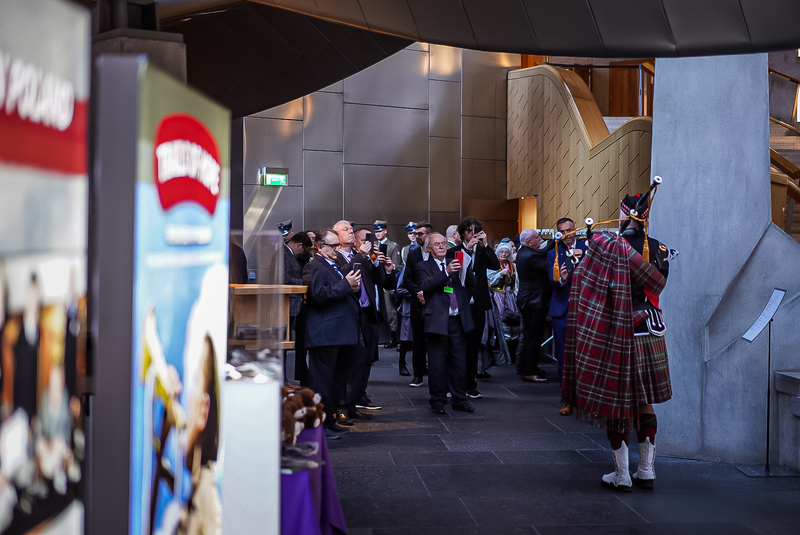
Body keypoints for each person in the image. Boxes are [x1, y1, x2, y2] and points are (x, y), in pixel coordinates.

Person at [562, 193, 671, 492]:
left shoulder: (606, 246)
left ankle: (622, 475)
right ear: (646, 215)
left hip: (617, 329)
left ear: (623, 215)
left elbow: (589, 284)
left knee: (617, 403)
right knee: (645, 400)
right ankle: (646, 470)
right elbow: (659, 284)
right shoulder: (659, 248)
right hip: (650, 330)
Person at [302, 230, 361, 440]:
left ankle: (329, 421)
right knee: (322, 383)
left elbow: (339, 290)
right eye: (333, 245)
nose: (337, 249)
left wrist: (351, 286)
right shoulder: (313, 266)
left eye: (338, 245)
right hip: (326, 334)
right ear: (320, 247)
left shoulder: (332, 265)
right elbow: (318, 295)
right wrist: (347, 284)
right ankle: (319, 426)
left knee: (336, 382)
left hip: (341, 333)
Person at [333, 223, 395, 423]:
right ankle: (340, 406)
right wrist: (361, 255)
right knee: (344, 364)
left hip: (367, 314)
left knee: (361, 362)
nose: (350, 232)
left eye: (351, 230)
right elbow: (342, 274)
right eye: (346, 230)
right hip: (348, 315)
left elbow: (380, 281)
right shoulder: (336, 256)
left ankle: (352, 405)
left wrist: (379, 264)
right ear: (335, 236)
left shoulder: (362, 256)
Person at [417, 233, 476, 414]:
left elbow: (472, 283)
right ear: (429, 249)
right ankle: (438, 400)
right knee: (437, 363)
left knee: (459, 361)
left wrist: (466, 269)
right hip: (437, 320)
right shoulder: (423, 266)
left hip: (458, 319)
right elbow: (426, 285)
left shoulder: (455, 262)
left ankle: (460, 399)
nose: (442, 247)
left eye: (443, 243)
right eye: (437, 244)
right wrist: (446, 272)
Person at [447, 217, 500, 398]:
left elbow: (496, 265)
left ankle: (470, 384)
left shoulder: (483, 250)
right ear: (462, 234)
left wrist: (485, 244)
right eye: (469, 231)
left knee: (473, 347)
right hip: (459, 304)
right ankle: (453, 385)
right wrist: (467, 249)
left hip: (478, 304)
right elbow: (455, 270)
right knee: (455, 346)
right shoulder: (454, 250)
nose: (473, 234)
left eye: (476, 230)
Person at [545, 217, 587, 415]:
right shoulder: (553, 252)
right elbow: (550, 280)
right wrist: (560, 280)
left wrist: (586, 256)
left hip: (587, 310)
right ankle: (567, 399)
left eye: (569, 230)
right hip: (562, 309)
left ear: (576, 230)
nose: (567, 235)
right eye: (562, 232)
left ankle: (588, 399)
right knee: (563, 356)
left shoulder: (589, 248)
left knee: (587, 356)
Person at [515, 229, 551, 383]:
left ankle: (526, 367)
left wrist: (552, 243)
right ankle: (529, 371)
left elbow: (541, 252)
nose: (540, 238)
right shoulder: (530, 256)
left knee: (529, 336)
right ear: (530, 242)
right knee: (533, 338)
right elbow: (549, 267)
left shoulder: (524, 251)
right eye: (537, 237)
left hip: (528, 300)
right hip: (534, 301)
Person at [402, 222, 432, 387]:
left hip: (435, 302)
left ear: (428, 235)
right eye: (415, 234)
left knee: (435, 340)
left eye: (420, 234)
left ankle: (436, 374)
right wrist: (419, 292)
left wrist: (427, 292)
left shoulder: (439, 253)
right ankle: (418, 375)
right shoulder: (413, 254)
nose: (416, 236)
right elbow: (407, 279)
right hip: (417, 303)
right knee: (418, 341)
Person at [486, 242, 519, 370]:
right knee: (500, 320)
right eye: (502, 252)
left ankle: (511, 351)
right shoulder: (494, 265)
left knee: (512, 322)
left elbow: (516, 282)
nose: (504, 254)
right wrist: (500, 274)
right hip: (498, 295)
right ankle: (499, 349)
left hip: (510, 295)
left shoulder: (513, 266)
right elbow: (489, 279)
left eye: (506, 252)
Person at [287, 232, 313, 385]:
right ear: (299, 245)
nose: (302, 253)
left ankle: (302, 376)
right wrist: (305, 283)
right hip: (290, 304)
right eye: (303, 250)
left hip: (296, 304)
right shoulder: (285, 254)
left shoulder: (292, 255)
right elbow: (284, 278)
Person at [374, 220, 402, 348]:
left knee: (390, 312)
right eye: (376, 231)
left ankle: (393, 337)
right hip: (375, 281)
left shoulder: (392, 246)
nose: (378, 233)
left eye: (380, 231)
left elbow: (396, 266)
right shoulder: (373, 245)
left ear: (385, 231)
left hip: (387, 281)